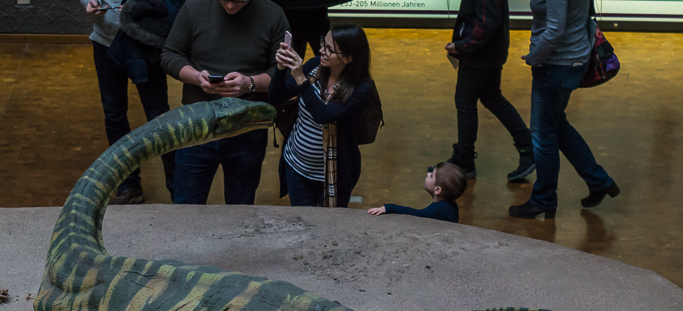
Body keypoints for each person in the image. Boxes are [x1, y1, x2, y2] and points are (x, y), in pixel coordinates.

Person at [161, 0, 289, 205]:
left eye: (238, 0)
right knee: (186, 206)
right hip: (197, 124)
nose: (230, 6)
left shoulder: (273, 14)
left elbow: (283, 72)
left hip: (247, 127)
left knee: (240, 207)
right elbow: (170, 54)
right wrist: (196, 77)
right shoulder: (193, 7)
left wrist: (250, 84)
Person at [509, 0, 619, 219]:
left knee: (543, 134)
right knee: (556, 125)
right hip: (571, 59)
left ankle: (544, 199)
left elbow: (555, 29)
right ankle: (599, 181)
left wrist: (534, 56)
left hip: (556, 64)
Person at [82, 0, 176, 205]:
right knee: (114, 117)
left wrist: (139, 6)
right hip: (105, 41)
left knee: (159, 118)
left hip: (145, 40)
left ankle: (177, 188)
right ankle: (129, 185)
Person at [269, 24, 373, 207]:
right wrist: (280, 68)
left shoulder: (362, 88)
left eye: (329, 50)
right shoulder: (315, 66)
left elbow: (323, 115)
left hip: (333, 175)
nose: (321, 51)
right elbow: (276, 96)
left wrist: (301, 79)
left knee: (329, 228)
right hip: (296, 166)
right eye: (323, 44)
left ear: (348, 58)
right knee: (302, 223)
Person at [445, 0, 534, 182]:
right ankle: (527, 147)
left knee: (465, 102)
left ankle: (465, 160)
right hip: (489, 52)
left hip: (479, 55)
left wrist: (463, 46)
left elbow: (487, 22)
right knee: (492, 98)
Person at [368, 162, 467, 223]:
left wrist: (389, 208)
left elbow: (415, 214)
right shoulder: (453, 205)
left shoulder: (435, 210)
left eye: (432, 175)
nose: (428, 174)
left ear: (437, 190)